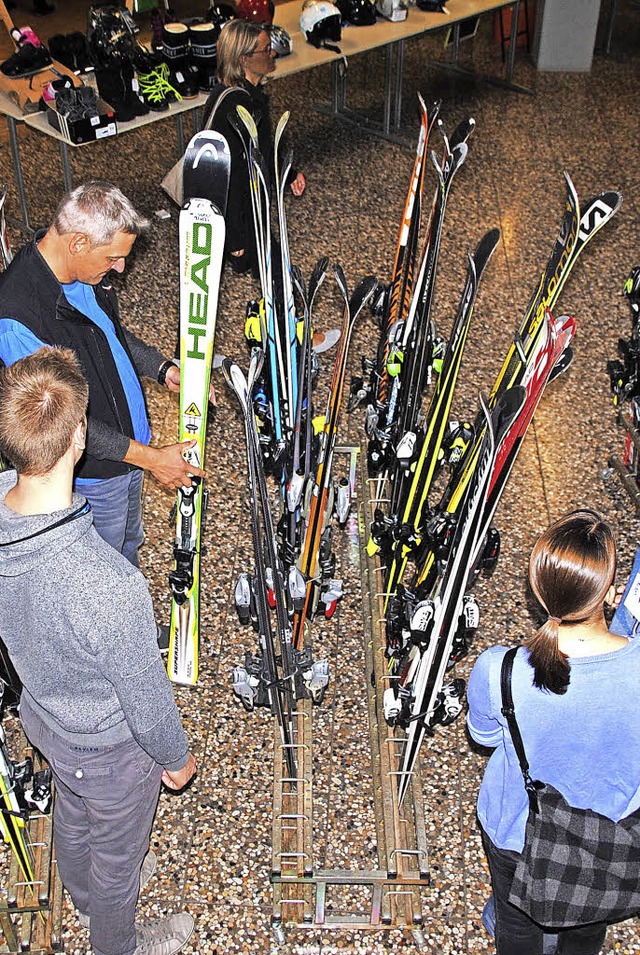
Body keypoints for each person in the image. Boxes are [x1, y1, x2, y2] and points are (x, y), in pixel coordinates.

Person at [0, 347, 197, 955]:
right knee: (118, 866)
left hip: (44, 717)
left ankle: (77, 891)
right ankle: (119, 942)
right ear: (79, 435)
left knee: (70, 808)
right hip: (111, 752)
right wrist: (177, 758)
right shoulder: (109, 587)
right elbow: (146, 700)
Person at [0, 180, 202, 569]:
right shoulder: (18, 319)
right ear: (77, 243)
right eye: (113, 258)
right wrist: (152, 459)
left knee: (129, 542)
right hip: (96, 475)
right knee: (107, 567)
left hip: (132, 453)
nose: (121, 267)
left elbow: (110, 332)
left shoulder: (82, 273)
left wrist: (162, 369)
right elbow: (61, 424)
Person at [467, 509, 640, 955]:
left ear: (540, 593)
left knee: (516, 921)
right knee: (587, 923)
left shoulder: (499, 670)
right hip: (611, 832)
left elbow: (484, 736)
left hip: (517, 832)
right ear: (611, 590)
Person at [202, 19, 306, 275]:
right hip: (242, 209)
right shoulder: (238, 105)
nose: (273, 53)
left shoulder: (239, 94)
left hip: (251, 203)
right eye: (266, 49)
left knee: (273, 270)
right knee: (275, 273)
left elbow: (263, 148)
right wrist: (235, 237)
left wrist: (289, 173)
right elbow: (230, 171)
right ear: (245, 59)